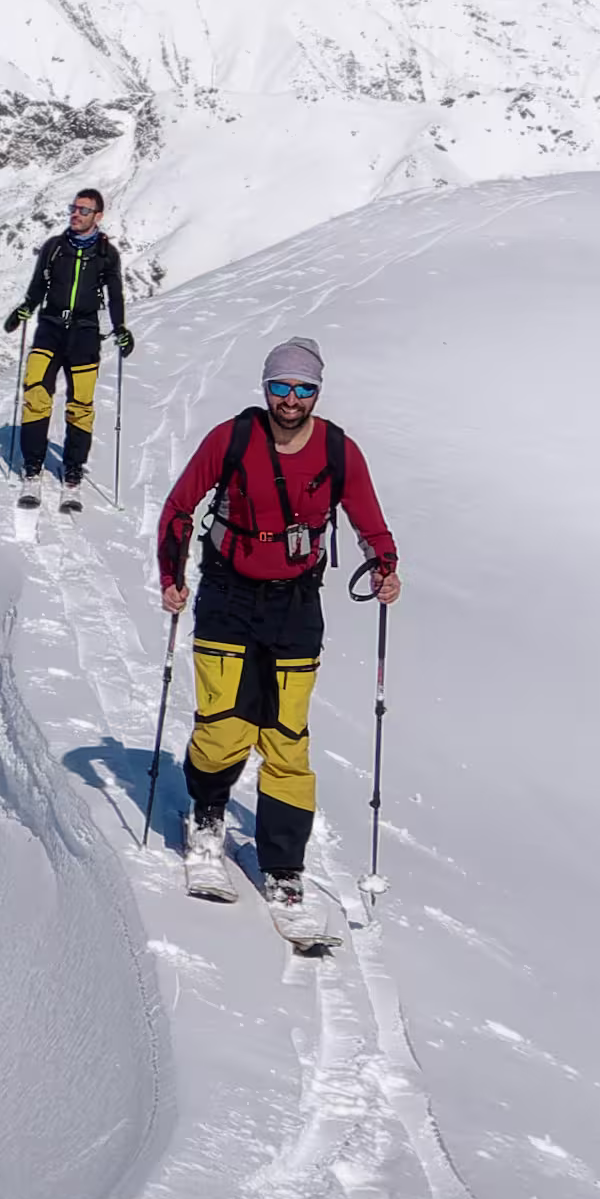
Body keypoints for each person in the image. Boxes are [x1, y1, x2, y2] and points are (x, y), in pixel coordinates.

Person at [151, 335, 400, 915]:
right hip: (227, 597)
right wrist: (171, 575)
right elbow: (179, 509)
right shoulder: (232, 438)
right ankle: (208, 811)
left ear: (316, 392)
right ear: (265, 389)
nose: (290, 398)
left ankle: (284, 864)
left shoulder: (339, 452)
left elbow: (371, 522)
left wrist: (386, 568)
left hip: (296, 603)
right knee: (222, 726)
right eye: (280, 387)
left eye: (302, 388)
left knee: (288, 739)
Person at [0, 188, 133, 508]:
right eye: (74, 208)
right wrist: (24, 310)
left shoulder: (106, 254)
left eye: (84, 211)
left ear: (97, 217)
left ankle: (72, 472)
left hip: (85, 334)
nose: (76, 214)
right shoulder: (54, 248)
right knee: (36, 395)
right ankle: (32, 469)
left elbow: (115, 295)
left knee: (81, 405)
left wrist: (120, 328)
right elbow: (37, 288)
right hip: (50, 330)